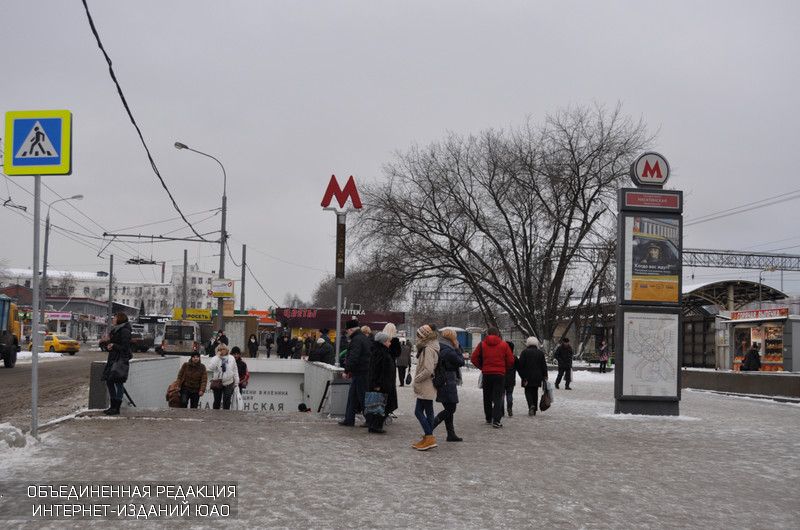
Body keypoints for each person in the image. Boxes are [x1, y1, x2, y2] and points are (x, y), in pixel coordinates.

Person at [471, 327, 515, 428]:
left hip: (487, 374)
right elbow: (511, 360)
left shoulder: (482, 344)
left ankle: (488, 417)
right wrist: (504, 368)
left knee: (487, 396)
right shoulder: (504, 345)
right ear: (498, 334)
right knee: (498, 397)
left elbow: (473, 358)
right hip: (499, 374)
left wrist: (481, 367)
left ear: (487, 334)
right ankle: (496, 420)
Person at [432, 328, 465, 441]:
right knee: (451, 408)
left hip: (444, 380)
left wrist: (457, 347)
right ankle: (430, 426)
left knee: (449, 407)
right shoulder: (448, 350)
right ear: (452, 337)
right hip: (448, 380)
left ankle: (451, 434)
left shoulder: (442, 346)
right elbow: (461, 361)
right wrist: (457, 349)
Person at [339, 319, 372, 427]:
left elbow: (353, 357)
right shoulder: (363, 338)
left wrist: (347, 370)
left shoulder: (356, 340)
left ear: (351, 329)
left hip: (360, 372)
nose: (347, 333)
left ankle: (370, 420)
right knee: (352, 396)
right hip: (362, 371)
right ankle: (349, 419)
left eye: (347, 331)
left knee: (362, 396)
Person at [412, 325, 440, 450]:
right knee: (428, 410)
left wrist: (417, 379)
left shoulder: (428, 349)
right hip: (428, 384)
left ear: (423, 336)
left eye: (418, 335)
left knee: (418, 412)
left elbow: (428, 370)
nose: (417, 338)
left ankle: (429, 437)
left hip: (425, 384)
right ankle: (428, 437)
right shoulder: (432, 346)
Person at [101, 313, 132, 416]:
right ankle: (113, 406)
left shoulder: (125, 331)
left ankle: (116, 408)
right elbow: (113, 344)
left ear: (120, 319)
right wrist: (106, 344)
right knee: (109, 382)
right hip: (113, 359)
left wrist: (113, 345)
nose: (113, 319)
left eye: (114, 318)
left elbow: (125, 348)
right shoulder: (115, 330)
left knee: (118, 382)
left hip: (120, 360)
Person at [367, 331, 395, 434]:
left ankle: (375, 425)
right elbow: (376, 370)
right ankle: (375, 426)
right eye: (388, 341)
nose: (390, 343)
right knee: (378, 405)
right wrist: (377, 384)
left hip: (384, 383)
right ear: (383, 342)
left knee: (380, 405)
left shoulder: (382, 351)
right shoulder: (380, 352)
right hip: (380, 384)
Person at [516, 337, 549, 416]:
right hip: (538, 376)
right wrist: (545, 375)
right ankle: (534, 409)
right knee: (535, 391)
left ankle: (531, 405)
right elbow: (543, 365)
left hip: (526, 376)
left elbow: (520, 365)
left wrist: (522, 376)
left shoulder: (524, 352)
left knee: (527, 391)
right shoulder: (540, 353)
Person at [207, 344, 239, 410]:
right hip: (217, 382)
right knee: (217, 401)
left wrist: (236, 381)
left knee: (227, 401)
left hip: (228, 382)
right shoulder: (215, 358)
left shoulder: (231, 358)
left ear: (226, 349)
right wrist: (217, 357)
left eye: (223, 349)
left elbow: (235, 370)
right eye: (219, 349)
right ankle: (215, 415)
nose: (221, 351)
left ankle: (226, 415)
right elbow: (211, 367)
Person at [381, 323, 400, 418]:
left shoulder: (381, 339)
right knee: (391, 387)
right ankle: (389, 408)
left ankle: (382, 407)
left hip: (382, 366)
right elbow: (398, 353)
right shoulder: (395, 340)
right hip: (391, 366)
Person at [504, 341, 518, 417]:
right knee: (509, 394)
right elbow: (520, 368)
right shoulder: (514, 358)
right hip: (511, 379)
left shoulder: (501, 356)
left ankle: (501, 410)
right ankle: (509, 408)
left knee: (501, 395)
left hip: (501, 378)